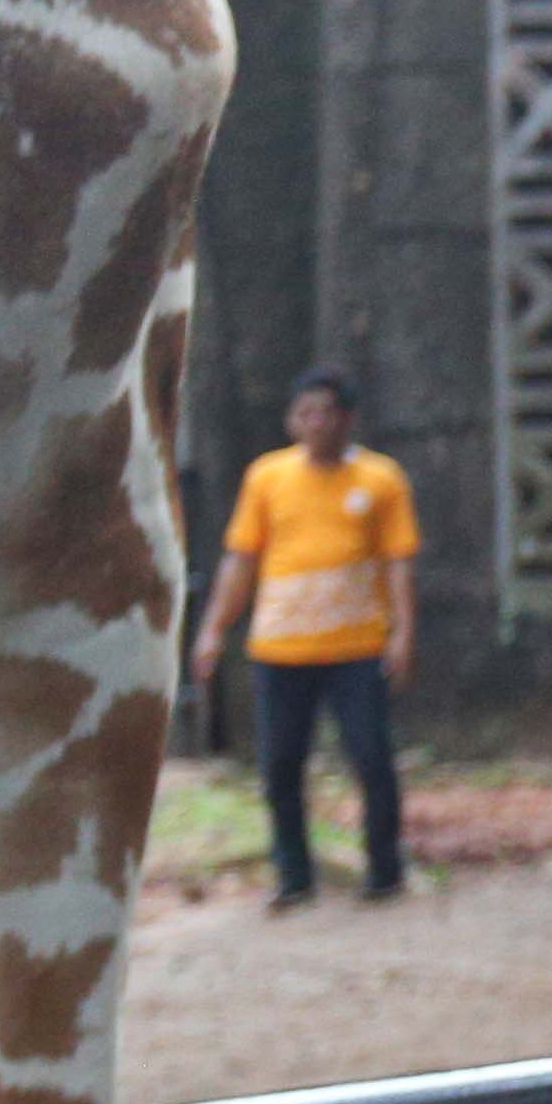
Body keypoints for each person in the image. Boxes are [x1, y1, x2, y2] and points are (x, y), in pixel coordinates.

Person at [195, 366, 419, 913]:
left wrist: (402, 634)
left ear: (348, 419)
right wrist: (213, 629)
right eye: (305, 412)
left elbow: (398, 565)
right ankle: (293, 877)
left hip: (357, 647)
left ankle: (384, 870)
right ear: (291, 420)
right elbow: (241, 560)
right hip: (281, 647)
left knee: (371, 758)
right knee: (280, 767)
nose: (315, 423)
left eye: (326, 412)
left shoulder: (381, 479)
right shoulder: (266, 478)